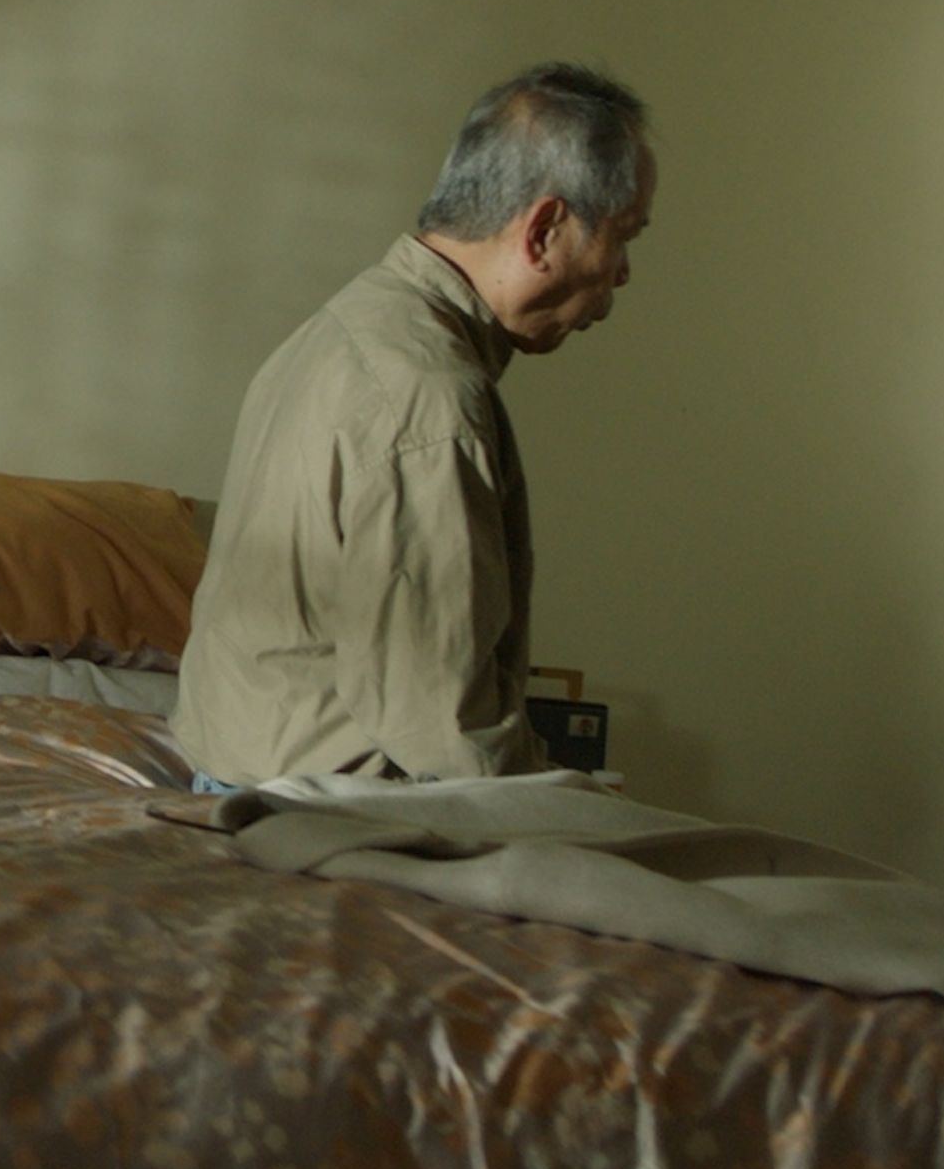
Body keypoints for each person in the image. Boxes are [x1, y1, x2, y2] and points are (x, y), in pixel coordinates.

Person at [168, 64, 655, 792]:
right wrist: (576, 807)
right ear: (545, 230)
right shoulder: (425, 393)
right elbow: (442, 728)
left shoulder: (345, 326)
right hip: (320, 803)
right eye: (623, 237)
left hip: (244, 765)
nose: (621, 275)